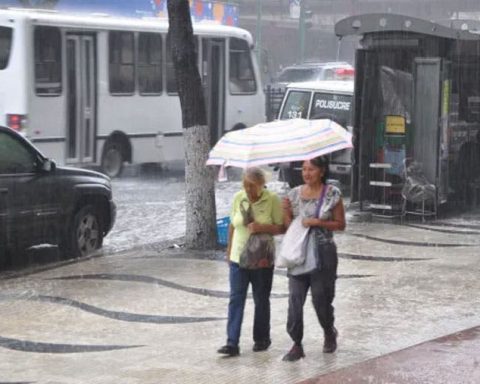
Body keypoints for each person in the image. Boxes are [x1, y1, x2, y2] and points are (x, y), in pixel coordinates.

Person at [281, 156, 346, 361]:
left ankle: (328, 331)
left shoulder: (332, 194)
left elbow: (340, 224)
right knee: (295, 300)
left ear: (322, 171)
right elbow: (287, 227)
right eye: (304, 169)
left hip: (323, 254)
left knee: (321, 299)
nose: (306, 173)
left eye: (311, 169)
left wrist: (318, 222)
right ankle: (297, 344)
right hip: (298, 254)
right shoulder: (292, 195)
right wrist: (285, 213)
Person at [217, 167, 284, 357]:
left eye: (252, 186)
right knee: (235, 299)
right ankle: (232, 342)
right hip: (239, 257)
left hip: (261, 259)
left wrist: (262, 227)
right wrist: (229, 250)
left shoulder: (272, 199)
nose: (248, 190)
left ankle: (262, 338)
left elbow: (282, 227)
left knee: (261, 299)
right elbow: (232, 224)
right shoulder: (239, 197)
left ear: (261, 185)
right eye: (245, 185)